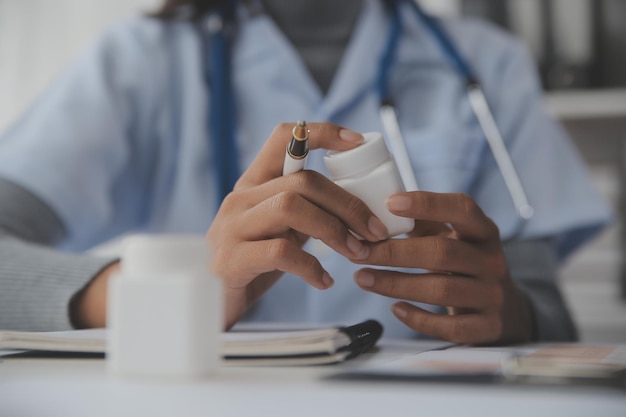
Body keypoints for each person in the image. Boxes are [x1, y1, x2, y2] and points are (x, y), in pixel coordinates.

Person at [0, 0, 612, 344]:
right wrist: (176, 300)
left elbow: (549, 318)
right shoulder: (141, 63)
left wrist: (509, 314)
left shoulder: (486, 64)